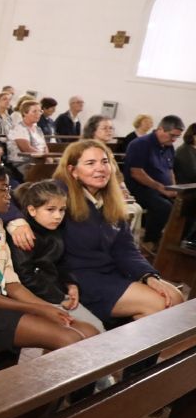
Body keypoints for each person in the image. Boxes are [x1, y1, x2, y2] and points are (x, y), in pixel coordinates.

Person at [0, 159, 100, 356]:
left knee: (89, 332)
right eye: (3, 189)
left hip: (1, 300)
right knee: (69, 339)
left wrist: (49, 308)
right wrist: (38, 310)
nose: (9, 196)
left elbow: (11, 283)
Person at [54, 140, 184, 324]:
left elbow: (126, 248)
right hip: (79, 278)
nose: (101, 168)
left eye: (105, 162)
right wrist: (17, 223)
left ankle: (132, 352)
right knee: (160, 304)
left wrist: (148, 276)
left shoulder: (108, 199)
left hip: (111, 273)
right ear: (73, 171)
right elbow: (23, 201)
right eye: (90, 163)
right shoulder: (58, 193)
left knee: (175, 297)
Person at [9, 181, 110, 332]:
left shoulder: (53, 229)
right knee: (91, 330)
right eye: (50, 209)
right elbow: (26, 276)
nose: (58, 216)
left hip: (57, 294)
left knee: (97, 328)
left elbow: (60, 261)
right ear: (32, 210)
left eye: (62, 210)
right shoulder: (25, 236)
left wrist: (71, 283)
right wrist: (60, 298)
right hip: (35, 299)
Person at [124, 115, 185, 248]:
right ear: (161, 129)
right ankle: (150, 241)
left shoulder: (168, 146)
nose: (174, 140)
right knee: (163, 207)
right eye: (172, 135)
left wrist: (173, 188)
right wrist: (161, 188)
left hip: (161, 187)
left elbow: (170, 170)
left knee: (185, 204)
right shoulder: (140, 144)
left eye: (177, 137)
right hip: (140, 187)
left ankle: (175, 241)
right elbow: (136, 172)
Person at [82, 115, 144, 241]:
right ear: (93, 130)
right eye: (105, 128)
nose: (109, 131)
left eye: (111, 128)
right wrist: (115, 193)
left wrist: (123, 189)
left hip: (109, 191)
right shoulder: (85, 149)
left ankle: (129, 244)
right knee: (128, 210)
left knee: (137, 209)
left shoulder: (107, 150)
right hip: (93, 195)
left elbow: (117, 175)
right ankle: (113, 242)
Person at [6, 99, 49, 173]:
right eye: (34, 111)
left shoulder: (38, 129)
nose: (38, 114)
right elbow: (26, 149)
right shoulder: (18, 128)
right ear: (25, 113)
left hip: (39, 160)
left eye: (40, 111)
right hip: (22, 163)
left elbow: (45, 146)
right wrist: (44, 157)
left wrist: (48, 158)